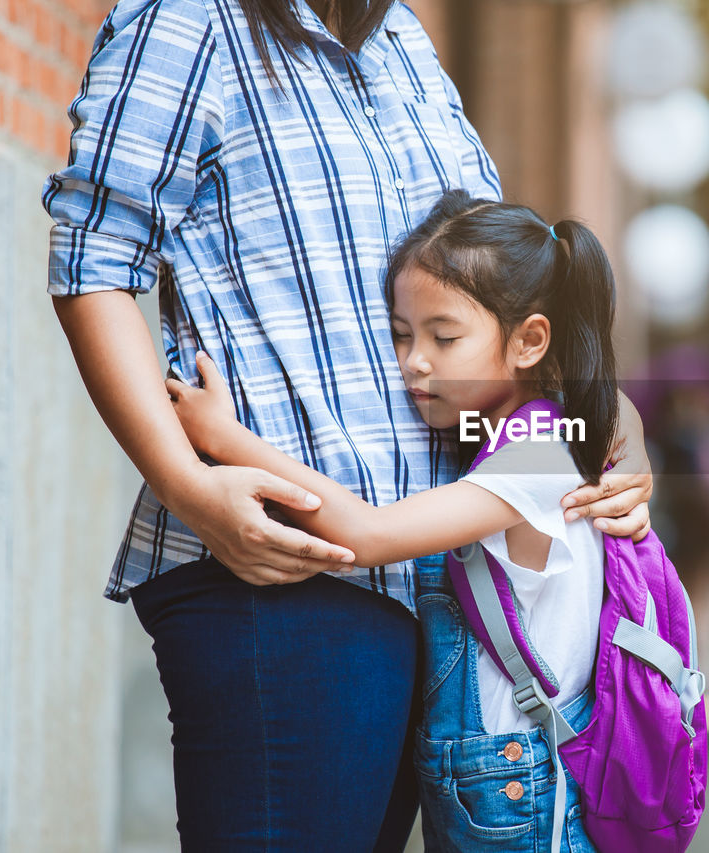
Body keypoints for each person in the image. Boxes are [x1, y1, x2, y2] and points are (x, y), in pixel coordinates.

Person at [43, 2, 651, 848]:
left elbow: (513, 308)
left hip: (431, 591)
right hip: (276, 572)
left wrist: (614, 448)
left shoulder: (404, 44)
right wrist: (193, 482)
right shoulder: (192, 20)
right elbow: (94, 257)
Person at [167, 190, 619, 851]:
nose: (415, 361)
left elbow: (366, 535)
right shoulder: (516, 439)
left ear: (529, 341)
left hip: (520, 791)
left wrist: (224, 435)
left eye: (444, 336)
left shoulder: (539, 451)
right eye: (403, 335)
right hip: (494, 782)